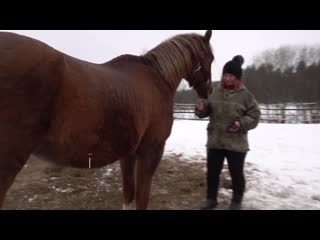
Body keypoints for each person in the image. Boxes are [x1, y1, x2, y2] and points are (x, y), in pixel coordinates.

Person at [195, 55, 261, 210]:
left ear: (238, 78)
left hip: (236, 143)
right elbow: (207, 111)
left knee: (236, 174)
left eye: (231, 76)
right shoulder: (216, 92)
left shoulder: (246, 96)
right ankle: (211, 199)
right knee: (212, 173)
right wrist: (201, 108)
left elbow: (255, 116)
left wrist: (240, 123)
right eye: (225, 75)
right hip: (215, 140)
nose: (227, 78)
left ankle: (236, 201)